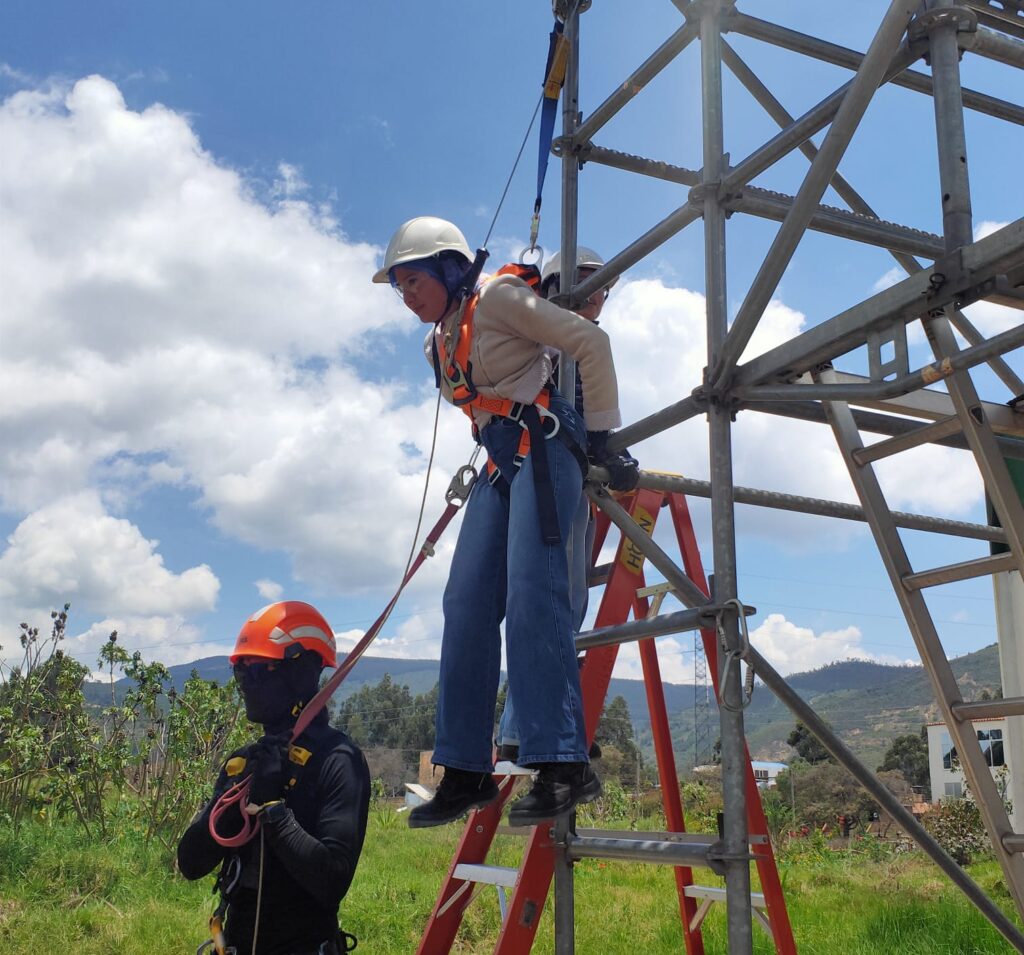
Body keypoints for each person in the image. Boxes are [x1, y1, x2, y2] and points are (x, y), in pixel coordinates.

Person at [372, 217, 638, 828]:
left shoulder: (498, 299)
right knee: (464, 602)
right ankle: (465, 770)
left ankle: (563, 762)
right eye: (399, 287)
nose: (406, 296)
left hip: (543, 447)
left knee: (533, 592)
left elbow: (590, 344)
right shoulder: (438, 343)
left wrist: (604, 439)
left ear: (448, 269)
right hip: (500, 461)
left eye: (413, 280)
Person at [178, 601, 371, 955]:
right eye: (240, 672)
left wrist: (272, 810)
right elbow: (190, 864)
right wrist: (239, 803)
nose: (246, 684)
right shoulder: (244, 764)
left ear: (300, 673)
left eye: (258, 670)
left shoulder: (338, 760)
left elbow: (332, 882)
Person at [496, 246, 621, 763]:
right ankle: (540, 732)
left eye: (601, 286)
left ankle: (524, 729)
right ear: (552, 287)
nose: (596, 295)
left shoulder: (561, 345)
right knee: (556, 603)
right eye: (585, 282)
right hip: (548, 474)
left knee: (555, 605)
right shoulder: (551, 347)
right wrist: (608, 448)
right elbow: (575, 414)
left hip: (553, 475)